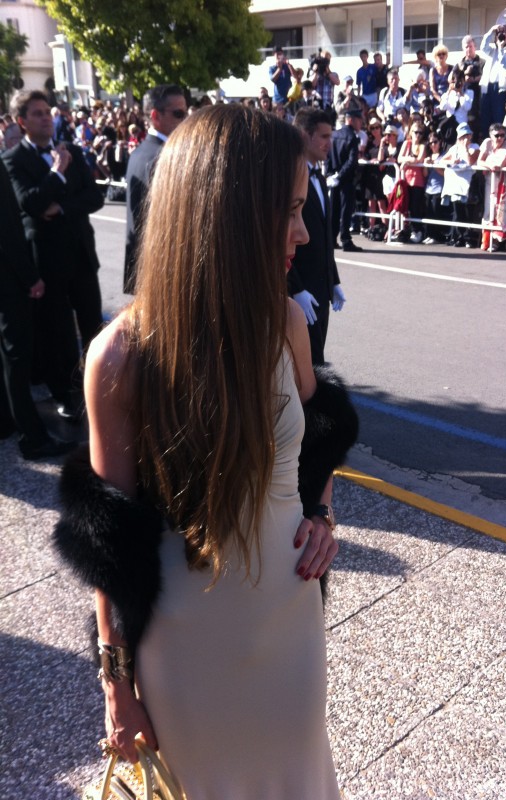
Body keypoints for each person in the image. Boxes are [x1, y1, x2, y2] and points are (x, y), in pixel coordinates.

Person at [55, 105, 358, 799]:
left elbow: (319, 435)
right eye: (288, 211)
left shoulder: (285, 321)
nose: (303, 232)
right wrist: (115, 686)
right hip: (185, 637)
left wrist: (320, 514)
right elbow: (109, 543)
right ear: (227, 215)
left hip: (290, 620)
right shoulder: (121, 356)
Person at [3, 89, 105, 420]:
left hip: (80, 253)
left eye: (48, 112)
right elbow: (29, 203)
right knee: (57, 332)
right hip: (47, 260)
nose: (46, 118)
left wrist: (60, 207)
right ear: (22, 121)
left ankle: (102, 385)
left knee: (92, 324)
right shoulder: (13, 159)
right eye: (37, 113)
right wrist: (57, 173)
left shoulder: (70, 149)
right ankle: (65, 393)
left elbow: (94, 197)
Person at [0, 158, 75, 458]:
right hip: (7, 278)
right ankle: (32, 438)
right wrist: (30, 276)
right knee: (16, 357)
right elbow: (7, 227)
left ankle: (6, 421)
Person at [291, 109, 345, 365]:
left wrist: (334, 281)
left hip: (321, 290)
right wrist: (296, 289)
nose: (329, 143)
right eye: (324, 136)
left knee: (317, 361)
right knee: (303, 366)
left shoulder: (320, 179)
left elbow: (324, 237)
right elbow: (277, 241)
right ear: (305, 135)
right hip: (299, 291)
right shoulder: (288, 178)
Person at [123, 84, 187, 293]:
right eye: (178, 114)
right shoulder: (163, 156)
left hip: (148, 266)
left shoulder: (142, 151)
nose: (186, 119)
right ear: (155, 116)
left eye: (186, 112)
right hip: (163, 270)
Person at [327, 108, 363, 252]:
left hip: (335, 179)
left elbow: (328, 156)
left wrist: (331, 174)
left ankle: (331, 239)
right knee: (345, 211)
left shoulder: (334, 135)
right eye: (359, 120)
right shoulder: (352, 137)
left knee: (334, 210)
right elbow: (352, 161)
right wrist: (340, 175)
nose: (361, 123)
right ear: (351, 120)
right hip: (346, 179)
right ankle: (346, 240)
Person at [440, 121, 480, 247]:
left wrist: (466, 149)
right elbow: (442, 160)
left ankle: (469, 237)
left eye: (467, 135)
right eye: (462, 136)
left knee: (469, 211)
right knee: (458, 211)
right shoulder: (454, 148)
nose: (465, 138)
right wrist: (452, 160)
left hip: (469, 183)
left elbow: (471, 161)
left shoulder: (475, 147)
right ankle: (458, 236)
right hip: (455, 184)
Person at [477, 123, 506, 251]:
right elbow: (480, 161)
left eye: (502, 135)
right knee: (488, 210)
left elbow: (501, 163)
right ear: (491, 135)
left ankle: (496, 241)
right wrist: (489, 165)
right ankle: (486, 240)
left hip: (501, 181)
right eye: (497, 135)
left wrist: (490, 164)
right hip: (488, 181)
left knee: (501, 210)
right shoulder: (487, 143)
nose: (500, 138)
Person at [479, 23, 506, 138]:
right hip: (487, 87)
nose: (502, 35)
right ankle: (486, 140)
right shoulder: (491, 49)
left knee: (499, 117)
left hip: (501, 88)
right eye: (499, 33)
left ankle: (500, 140)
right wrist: (491, 30)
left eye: (505, 33)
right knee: (485, 117)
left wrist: (501, 48)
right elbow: (483, 47)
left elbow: (505, 63)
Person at [397, 122, 428, 243]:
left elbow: (419, 159)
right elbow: (399, 158)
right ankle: (405, 230)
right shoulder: (407, 143)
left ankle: (417, 231)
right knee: (405, 207)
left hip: (417, 181)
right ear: (411, 132)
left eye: (420, 133)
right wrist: (410, 160)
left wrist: (407, 161)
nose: (418, 135)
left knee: (415, 208)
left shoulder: (422, 146)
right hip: (406, 180)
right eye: (416, 132)